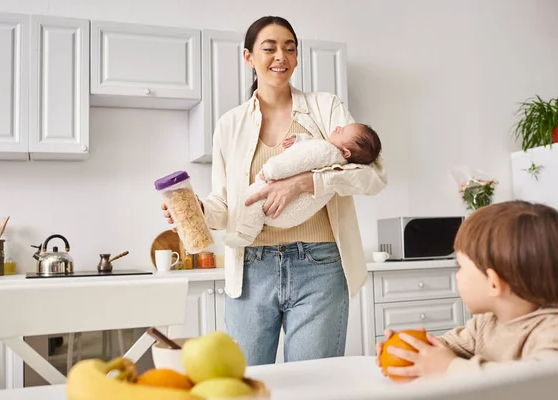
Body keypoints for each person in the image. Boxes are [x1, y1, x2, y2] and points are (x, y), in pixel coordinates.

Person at [162, 15, 387, 366]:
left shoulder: (326, 108)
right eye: (269, 48)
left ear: (297, 58)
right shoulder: (229, 124)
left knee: (313, 387)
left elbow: (372, 177)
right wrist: (199, 210)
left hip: (320, 266)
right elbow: (225, 203)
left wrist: (307, 182)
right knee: (246, 383)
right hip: (251, 269)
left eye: (289, 48)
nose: (280, 56)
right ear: (248, 57)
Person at [375, 200, 558, 379]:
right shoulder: (486, 323)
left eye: (460, 266)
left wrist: (449, 367)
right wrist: (410, 349)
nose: (456, 275)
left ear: (493, 283)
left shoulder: (550, 331)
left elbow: (537, 383)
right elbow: (446, 347)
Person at [225, 122, 382, 247]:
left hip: (286, 217)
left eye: (341, 131)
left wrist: (270, 171)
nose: (338, 127)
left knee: (252, 199)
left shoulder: (327, 150)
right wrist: (299, 140)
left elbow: (295, 161)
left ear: (346, 153)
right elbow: (308, 151)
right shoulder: (334, 158)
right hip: (290, 219)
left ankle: (245, 234)